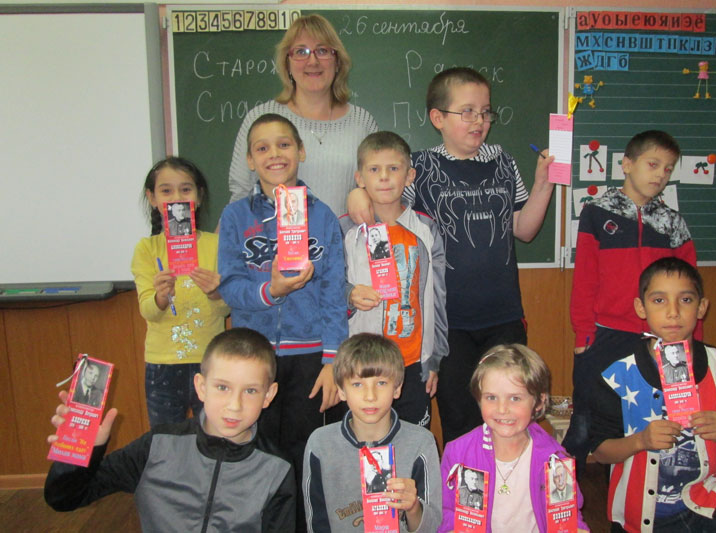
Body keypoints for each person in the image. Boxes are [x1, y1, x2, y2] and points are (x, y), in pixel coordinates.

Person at [350, 67, 555, 444]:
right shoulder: (419, 168)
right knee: (460, 420)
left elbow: (524, 229)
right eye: (468, 111)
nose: (479, 121)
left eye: (486, 111)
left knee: (508, 416)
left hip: (503, 316)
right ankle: (464, 484)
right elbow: (385, 203)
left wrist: (544, 183)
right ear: (438, 118)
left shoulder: (503, 161)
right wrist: (357, 194)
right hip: (446, 323)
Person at [218, 113, 347, 530]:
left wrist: (332, 361)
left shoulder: (323, 217)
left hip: (310, 357)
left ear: (301, 151)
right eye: (262, 148)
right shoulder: (235, 217)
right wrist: (270, 291)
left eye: (284, 144)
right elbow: (229, 286)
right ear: (250, 161)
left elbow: (334, 292)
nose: (274, 154)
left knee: (302, 455)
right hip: (252, 358)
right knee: (253, 455)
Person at [44, 328, 296, 532]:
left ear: (268, 395)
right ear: (201, 387)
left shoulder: (277, 468)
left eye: (250, 391)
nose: (235, 405)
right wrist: (79, 451)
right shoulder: (157, 446)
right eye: (222, 387)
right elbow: (64, 499)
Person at [589, 258, 716, 532]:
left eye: (685, 300)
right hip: (642, 515)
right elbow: (601, 452)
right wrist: (641, 440)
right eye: (659, 300)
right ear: (641, 307)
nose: (673, 312)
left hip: (711, 501)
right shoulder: (617, 375)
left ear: (701, 307)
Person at [564, 130, 699, 478]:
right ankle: (564, 493)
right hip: (605, 335)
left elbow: (690, 289)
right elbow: (585, 279)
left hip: (660, 339)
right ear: (626, 164)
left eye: (667, 169)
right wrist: (583, 334)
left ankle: (643, 486)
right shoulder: (596, 214)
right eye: (653, 164)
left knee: (649, 417)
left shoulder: (672, 223)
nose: (660, 175)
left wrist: (690, 341)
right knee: (585, 419)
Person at [342, 132, 447, 428]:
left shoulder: (426, 229)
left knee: (412, 439)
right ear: (360, 178)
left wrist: (434, 360)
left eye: (394, 168)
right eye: (374, 169)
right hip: (362, 365)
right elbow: (329, 287)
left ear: (409, 175)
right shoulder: (346, 230)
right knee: (364, 442)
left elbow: (439, 297)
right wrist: (349, 294)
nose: (384, 177)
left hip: (412, 363)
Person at [227, 14, 378, 217]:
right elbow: (240, 195)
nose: (312, 61)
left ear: (337, 62)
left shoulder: (362, 122)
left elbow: (381, 191)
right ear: (287, 63)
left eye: (322, 51)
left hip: (345, 238)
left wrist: (362, 193)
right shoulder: (260, 119)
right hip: (274, 238)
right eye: (301, 52)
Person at [439, 344, 588, 532]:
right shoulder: (460, 453)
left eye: (515, 398)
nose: (502, 409)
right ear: (479, 399)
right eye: (491, 397)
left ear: (539, 402)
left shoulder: (554, 459)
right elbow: (446, 512)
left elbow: (569, 519)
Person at [303, 333, 442, 533]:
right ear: (341, 391)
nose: (370, 396)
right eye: (357, 384)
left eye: (381, 383)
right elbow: (316, 523)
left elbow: (432, 527)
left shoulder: (421, 443)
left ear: (397, 388)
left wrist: (413, 508)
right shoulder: (320, 444)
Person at [131, 157, 229, 427]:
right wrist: (160, 297)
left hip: (210, 360)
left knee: (213, 434)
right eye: (166, 191)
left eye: (186, 189)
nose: (176, 198)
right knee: (165, 439)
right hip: (162, 363)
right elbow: (148, 311)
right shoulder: (147, 249)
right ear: (152, 198)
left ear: (198, 196)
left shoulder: (216, 245)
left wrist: (215, 293)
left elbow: (226, 309)